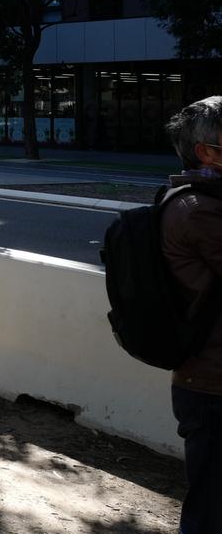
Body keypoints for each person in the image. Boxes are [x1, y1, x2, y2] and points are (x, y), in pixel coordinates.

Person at [162, 97, 222, 534]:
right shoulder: (199, 210)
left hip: (207, 378)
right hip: (212, 383)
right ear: (206, 151)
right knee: (210, 510)